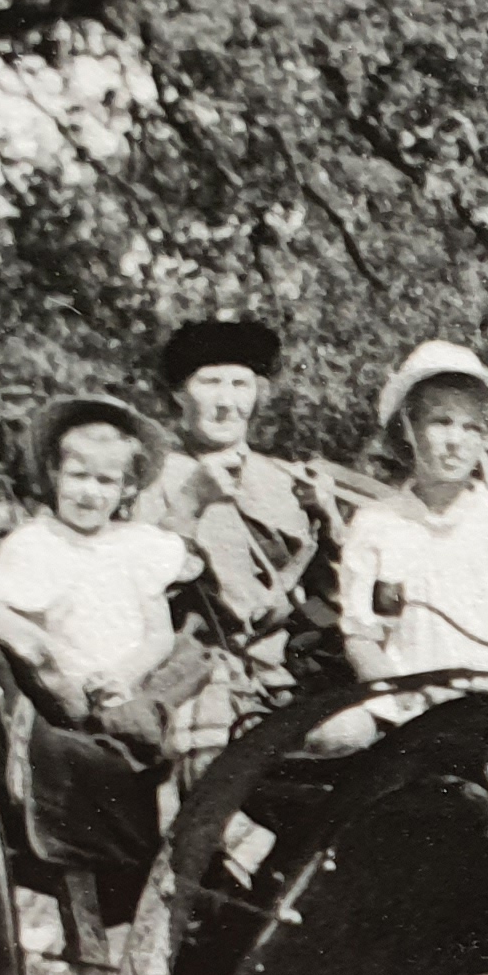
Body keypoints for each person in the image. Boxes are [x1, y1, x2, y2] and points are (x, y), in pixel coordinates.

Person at [311, 342, 488, 749]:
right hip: (404, 709)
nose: (455, 441)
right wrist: (402, 693)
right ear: (409, 427)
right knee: (333, 737)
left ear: (485, 438)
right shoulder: (378, 524)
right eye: (440, 422)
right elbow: (362, 638)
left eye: (471, 428)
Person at [0, 394, 194, 748]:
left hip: (131, 681)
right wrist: (72, 673)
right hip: (67, 686)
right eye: (78, 476)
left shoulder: (141, 545)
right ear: (53, 473)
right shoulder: (36, 542)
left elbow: (159, 635)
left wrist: (123, 675)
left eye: (105, 481)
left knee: (166, 719)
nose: (89, 493)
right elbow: (22, 632)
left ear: (128, 488)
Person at [139, 315, 325, 768]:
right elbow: (138, 583)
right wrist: (188, 504)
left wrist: (328, 520)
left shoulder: (285, 480)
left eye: (240, 385)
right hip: (192, 673)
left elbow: (329, 596)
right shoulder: (149, 478)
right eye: (210, 383)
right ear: (179, 395)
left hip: (287, 674)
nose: (226, 403)